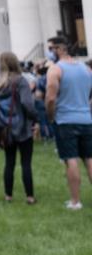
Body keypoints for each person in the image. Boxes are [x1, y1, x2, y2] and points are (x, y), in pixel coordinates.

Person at [45, 36, 92, 210]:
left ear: (60, 49)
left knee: (71, 159)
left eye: (51, 49)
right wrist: (87, 107)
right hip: (86, 119)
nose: (50, 52)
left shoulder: (56, 70)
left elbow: (50, 98)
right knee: (89, 158)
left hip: (65, 120)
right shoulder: (86, 69)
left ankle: (75, 201)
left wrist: (50, 116)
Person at [0, 52, 36, 204]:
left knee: (9, 162)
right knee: (26, 163)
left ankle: (8, 195)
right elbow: (27, 104)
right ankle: (29, 196)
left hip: (5, 127)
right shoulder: (20, 81)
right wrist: (35, 118)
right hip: (22, 126)